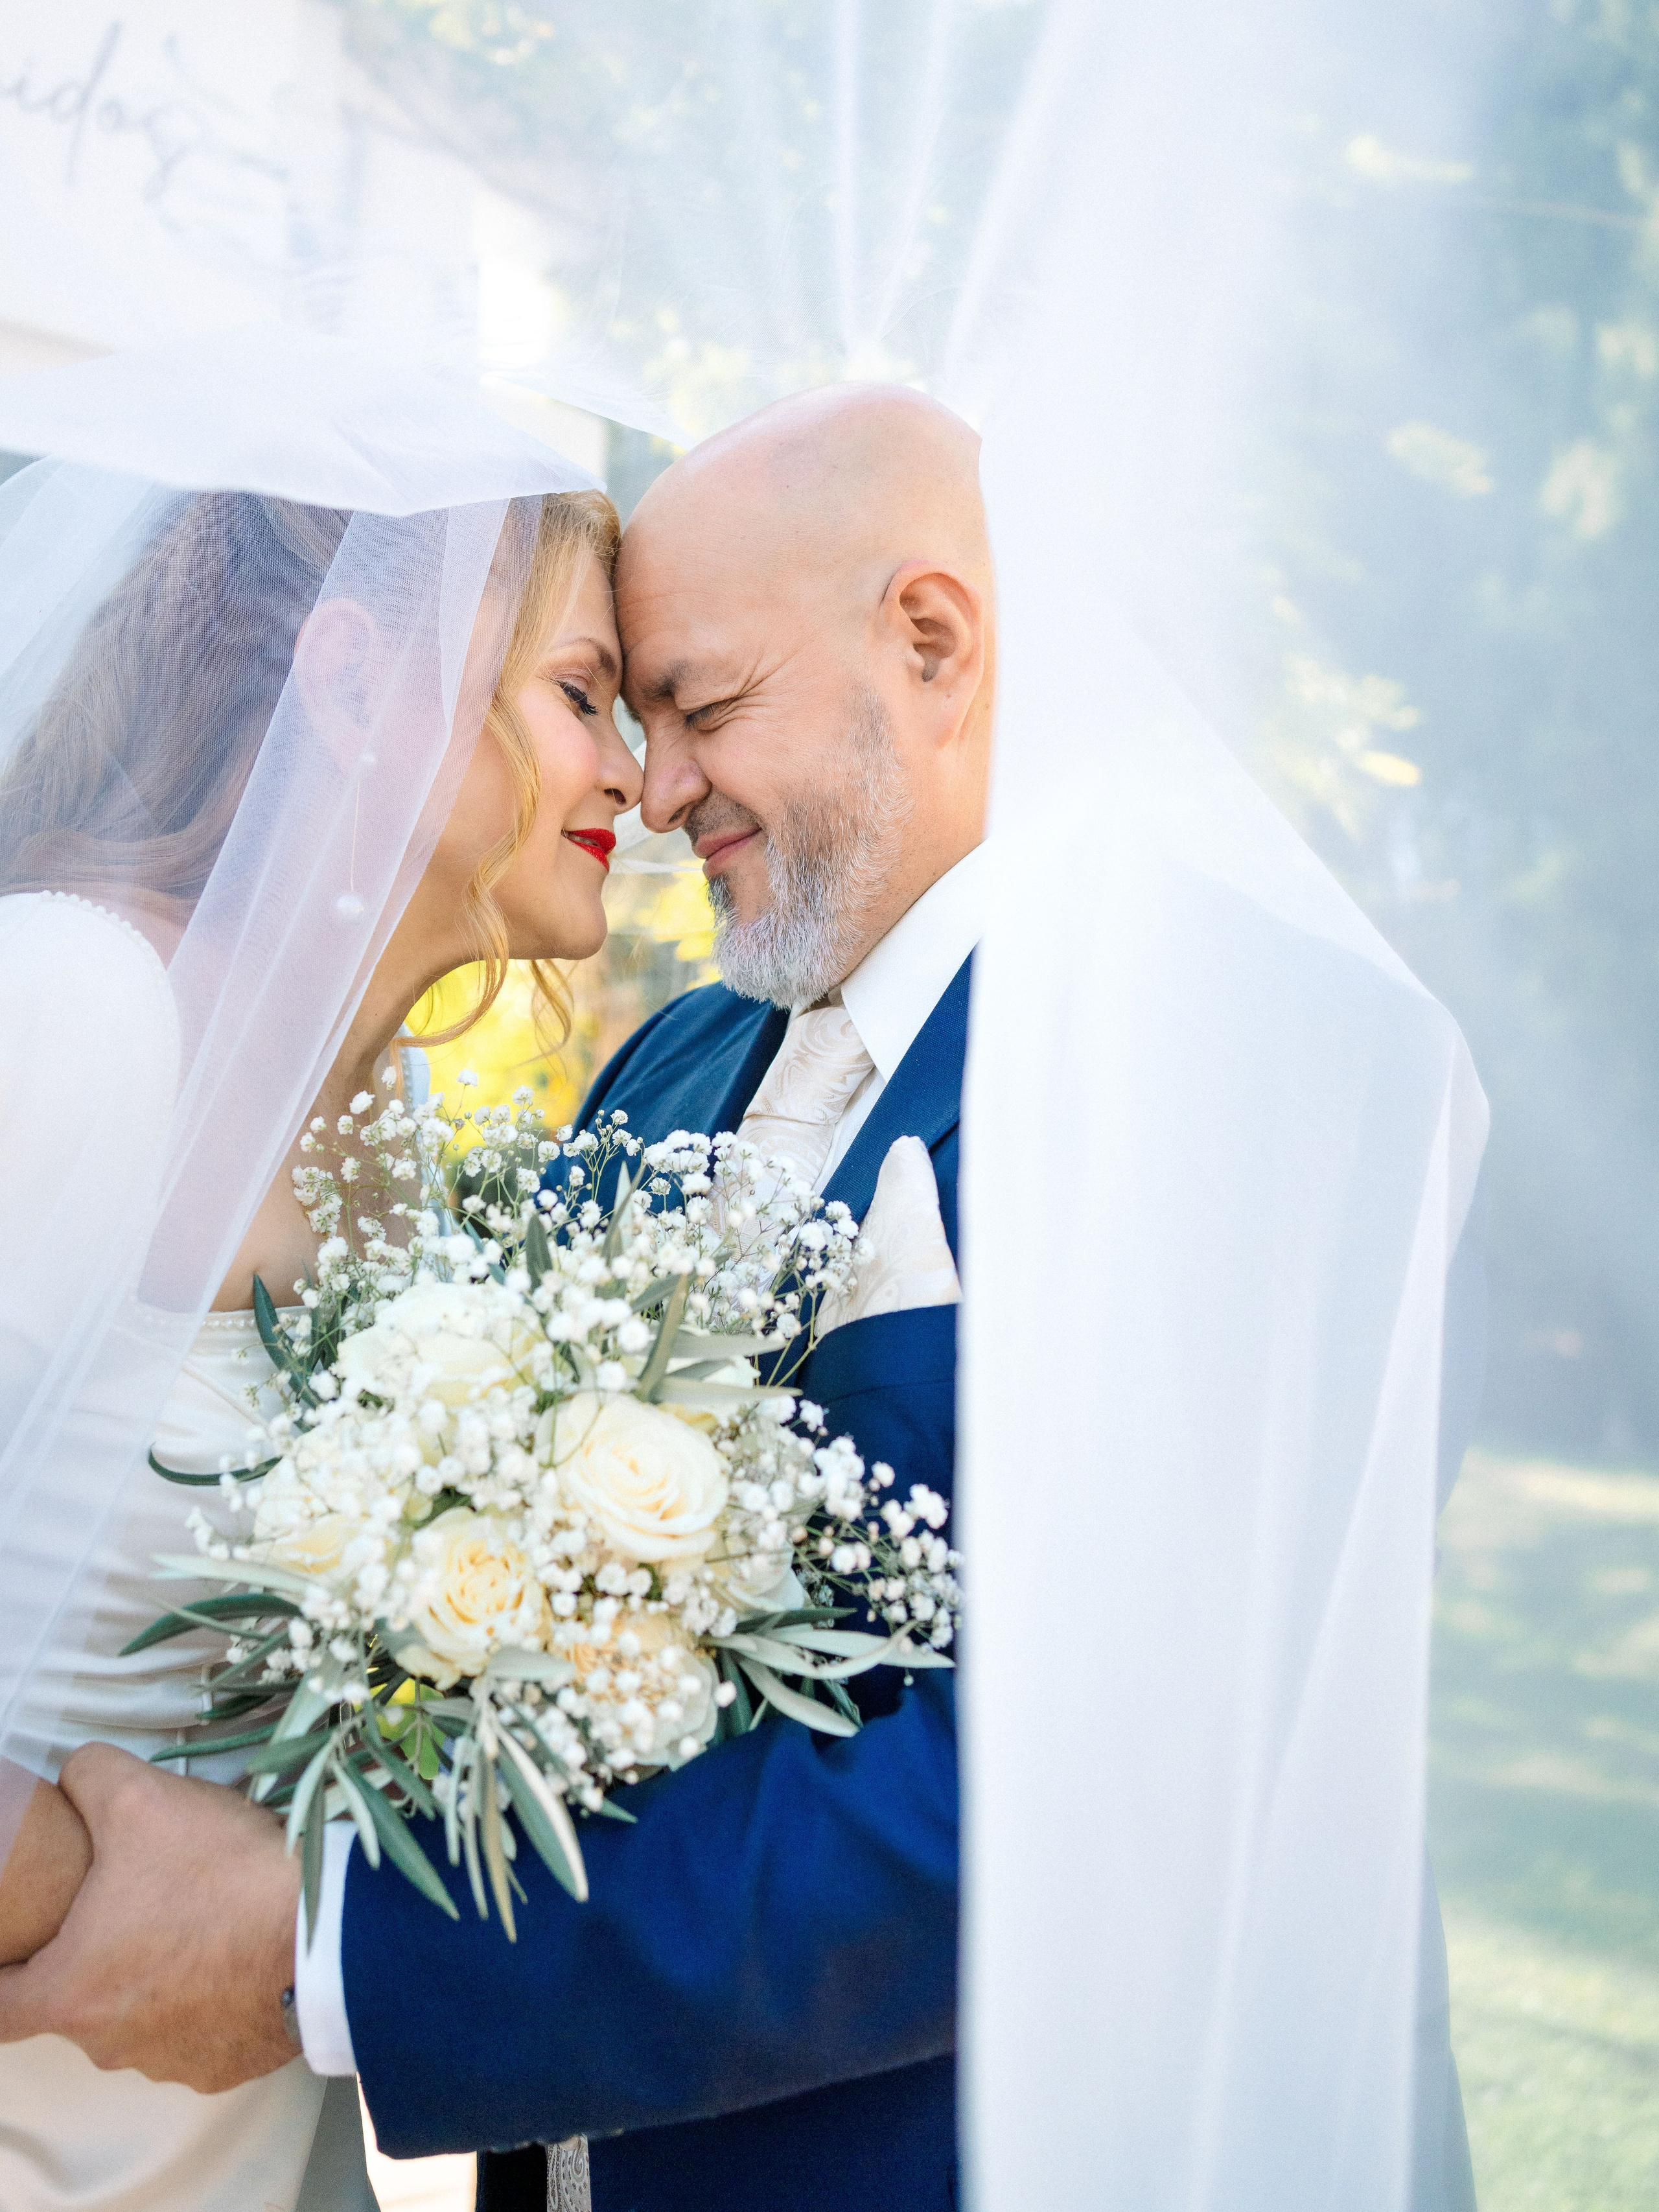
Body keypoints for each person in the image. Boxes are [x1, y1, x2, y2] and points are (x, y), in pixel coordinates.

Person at [0, 382, 1479, 2212]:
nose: (655, 782)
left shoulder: (1247, 1051)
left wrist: (330, 1957)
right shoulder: (672, 1070)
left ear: (930, 641)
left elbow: (1113, 1773)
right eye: (617, 710)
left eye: (700, 706)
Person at [0, 331, 639, 2209]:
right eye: (583, 692)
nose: (633, 764)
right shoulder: (73, 1020)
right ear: (359, 679)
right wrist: (129, 1932)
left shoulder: (392, 1127)